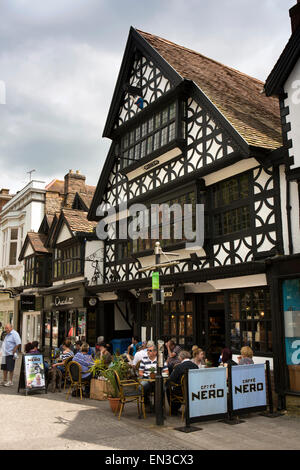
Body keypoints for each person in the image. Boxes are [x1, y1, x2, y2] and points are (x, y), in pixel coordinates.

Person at [166, 350, 198, 415]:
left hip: (182, 391)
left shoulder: (179, 367)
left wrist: (166, 384)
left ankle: (174, 410)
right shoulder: (195, 366)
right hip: (193, 391)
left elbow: (172, 379)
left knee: (167, 388)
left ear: (181, 357)